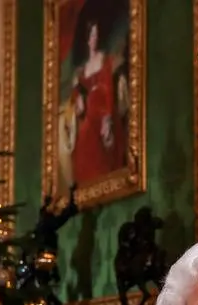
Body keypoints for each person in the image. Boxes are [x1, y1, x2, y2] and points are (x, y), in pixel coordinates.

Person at [68, 14, 126, 184]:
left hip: (104, 110)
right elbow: (78, 94)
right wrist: (77, 97)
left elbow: (108, 88)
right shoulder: (82, 69)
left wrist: (107, 118)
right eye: (92, 35)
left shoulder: (104, 60)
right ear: (87, 39)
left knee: (104, 145)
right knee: (83, 141)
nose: (95, 38)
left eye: (96, 34)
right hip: (90, 113)